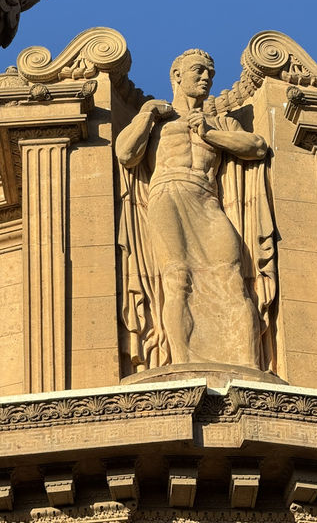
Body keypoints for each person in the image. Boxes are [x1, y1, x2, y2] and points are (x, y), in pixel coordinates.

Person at [116, 49, 275, 370]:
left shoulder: (221, 122)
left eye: (210, 74)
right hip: (169, 195)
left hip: (207, 198)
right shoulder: (158, 120)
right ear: (177, 76)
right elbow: (125, 153)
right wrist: (146, 115)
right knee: (178, 279)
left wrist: (210, 133)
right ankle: (182, 362)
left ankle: (246, 363)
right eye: (199, 71)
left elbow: (257, 148)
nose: (206, 78)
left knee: (233, 276)